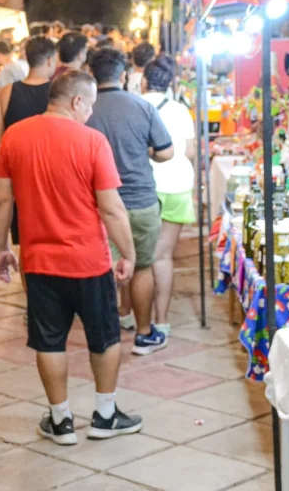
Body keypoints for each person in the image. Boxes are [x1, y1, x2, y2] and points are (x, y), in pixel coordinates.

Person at [0, 70, 142, 445]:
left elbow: (2, 199)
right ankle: (105, 415)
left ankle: (60, 421)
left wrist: (1, 247)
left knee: (48, 341)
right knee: (104, 337)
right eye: (89, 105)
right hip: (89, 261)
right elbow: (111, 209)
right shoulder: (92, 141)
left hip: (38, 261)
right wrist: (128, 252)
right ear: (77, 101)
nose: (91, 113)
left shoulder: (14, 136)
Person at [86, 48, 173, 355]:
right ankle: (145, 333)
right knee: (142, 266)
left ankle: (106, 332)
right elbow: (166, 152)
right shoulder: (141, 106)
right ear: (123, 75)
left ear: (92, 75)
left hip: (97, 203)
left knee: (104, 269)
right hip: (140, 199)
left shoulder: (84, 109)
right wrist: (142, 151)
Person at [140, 56, 196, 337]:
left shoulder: (134, 107)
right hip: (176, 186)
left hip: (141, 188)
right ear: (171, 83)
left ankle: (130, 316)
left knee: (137, 256)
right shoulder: (181, 111)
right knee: (162, 257)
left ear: (143, 80)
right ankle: (161, 321)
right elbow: (190, 153)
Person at [0, 36, 58, 248]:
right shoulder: (60, 93)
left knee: (26, 245)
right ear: (50, 60)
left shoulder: (6, 93)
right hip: (55, 177)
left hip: (19, 178)